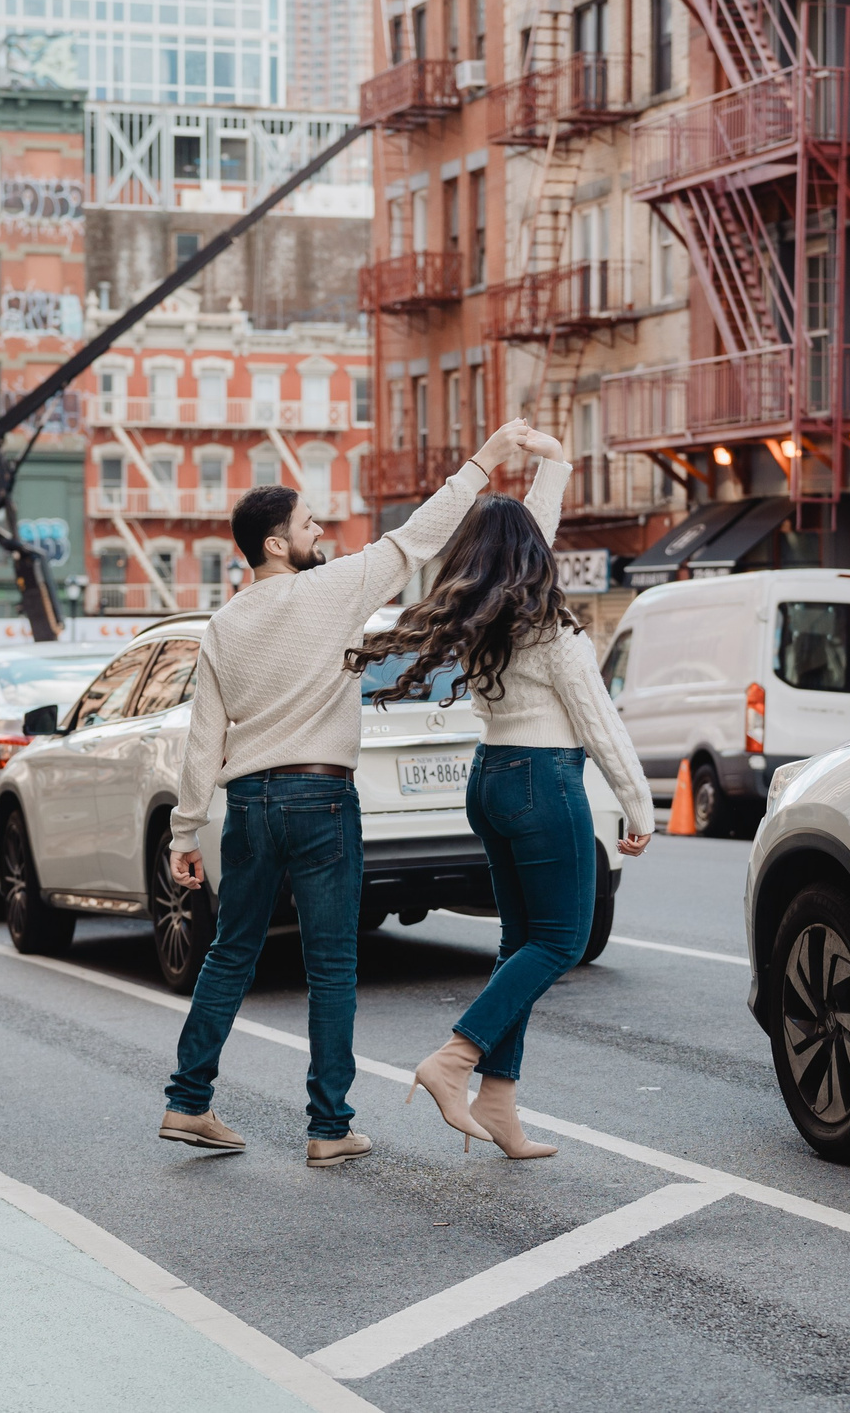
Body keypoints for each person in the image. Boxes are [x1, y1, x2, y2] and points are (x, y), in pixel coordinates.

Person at [160, 418, 549, 1170]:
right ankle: (328, 1124)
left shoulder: (223, 622)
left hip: (248, 805)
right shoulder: (330, 588)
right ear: (276, 543)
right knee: (331, 963)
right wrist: (483, 461)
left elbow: (203, 737)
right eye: (308, 523)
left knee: (229, 954)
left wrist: (185, 832)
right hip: (319, 798)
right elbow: (419, 537)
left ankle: (187, 1100)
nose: (320, 531)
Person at [347, 432, 655, 1159]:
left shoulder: (491, 620)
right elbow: (600, 726)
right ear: (534, 560)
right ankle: (454, 1061)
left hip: (491, 780)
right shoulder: (554, 630)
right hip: (543, 783)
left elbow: (529, 532)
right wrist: (638, 807)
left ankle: (500, 1101)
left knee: (522, 940)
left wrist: (555, 459)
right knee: (561, 939)